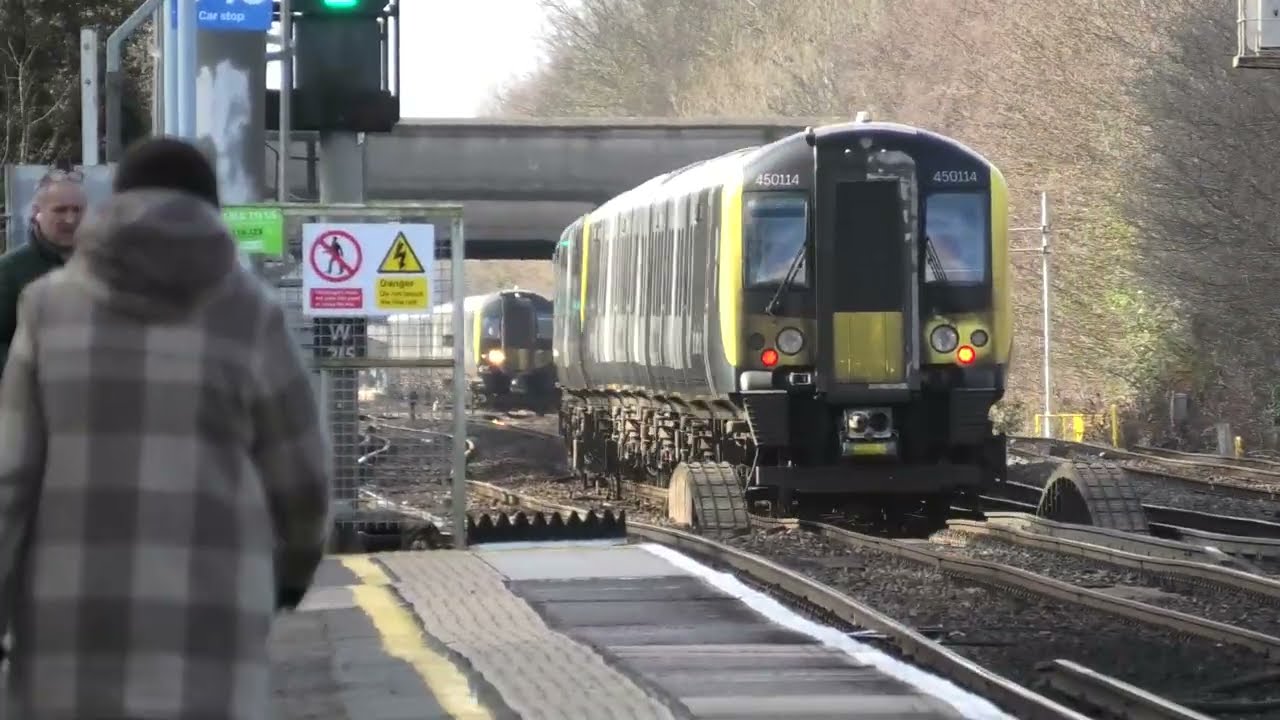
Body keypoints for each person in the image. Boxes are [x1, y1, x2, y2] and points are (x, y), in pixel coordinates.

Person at [0, 137, 333, 719]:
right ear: (211, 209)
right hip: (209, 625)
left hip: (69, 623)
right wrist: (292, 574)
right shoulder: (249, 314)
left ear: (116, 203)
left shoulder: (46, 309)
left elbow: (11, 478)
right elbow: (303, 477)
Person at [0, 169, 87, 374]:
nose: (70, 219)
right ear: (36, 213)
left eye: (77, 210)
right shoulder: (10, 271)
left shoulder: (105, 265)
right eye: (60, 210)